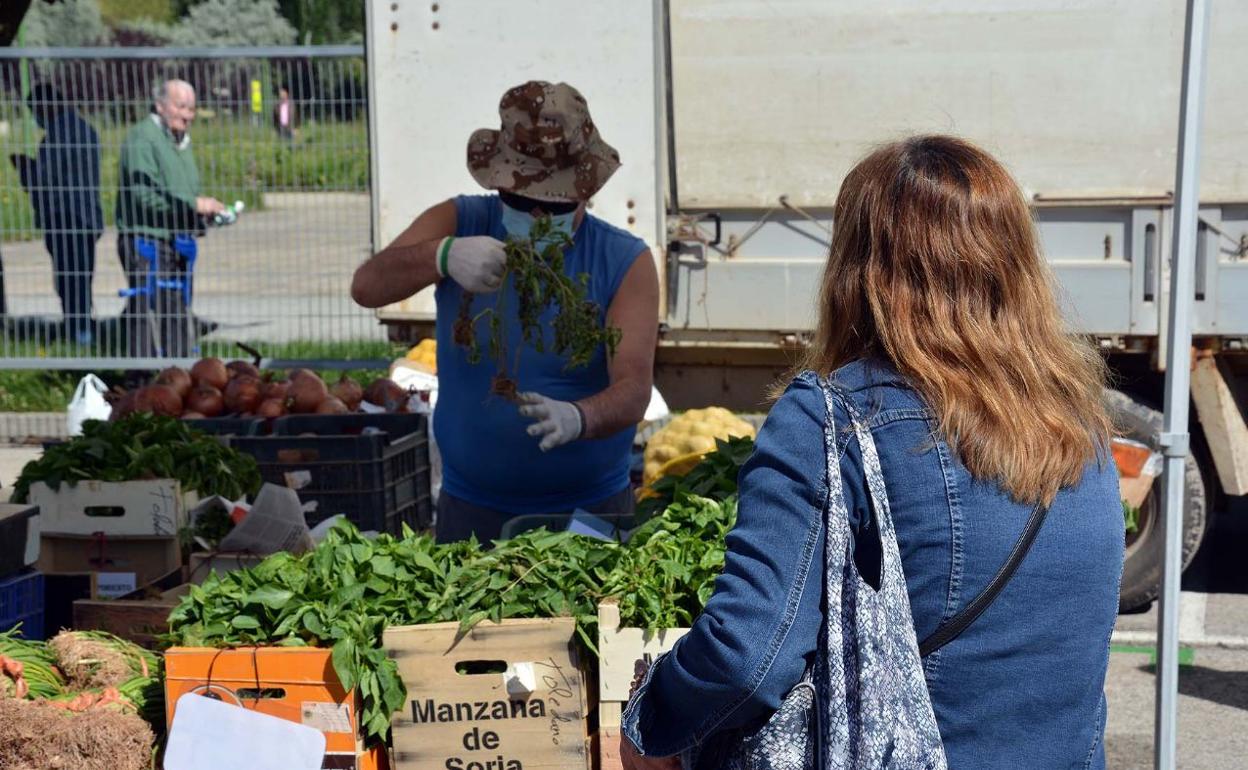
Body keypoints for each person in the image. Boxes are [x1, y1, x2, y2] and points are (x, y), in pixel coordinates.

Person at [620, 136, 1124, 769]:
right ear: (1016, 264)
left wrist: (652, 716)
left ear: (858, 269)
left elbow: (747, 656)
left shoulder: (831, 419)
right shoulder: (1084, 430)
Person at [352, 80, 659, 543]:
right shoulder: (463, 221)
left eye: (551, 203)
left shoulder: (623, 260)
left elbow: (634, 389)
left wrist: (579, 417)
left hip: (586, 513)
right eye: (520, 200)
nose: (536, 217)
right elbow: (367, 286)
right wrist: (441, 255)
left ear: (584, 191)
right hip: (471, 510)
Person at [115, 79, 225, 356]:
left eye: (192, 108)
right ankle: (143, 377)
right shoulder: (143, 138)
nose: (188, 115)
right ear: (160, 105)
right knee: (148, 308)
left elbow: (180, 194)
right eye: (181, 106)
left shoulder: (179, 141)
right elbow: (143, 195)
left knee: (176, 307)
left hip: (175, 241)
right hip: (145, 240)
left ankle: (178, 375)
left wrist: (202, 216)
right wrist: (193, 205)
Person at [10, 83, 103, 345]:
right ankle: (83, 328)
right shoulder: (86, 129)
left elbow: (41, 182)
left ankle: (79, 332)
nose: (35, 117)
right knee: (81, 275)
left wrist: (25, 168)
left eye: (35, 110)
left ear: (47, 106)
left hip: (64, 216)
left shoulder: (57, 137)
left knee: (69, 278)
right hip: (87, 215)